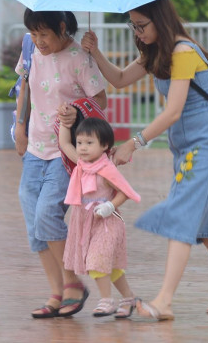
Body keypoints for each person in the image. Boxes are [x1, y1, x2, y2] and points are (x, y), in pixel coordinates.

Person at [81, 0, 208, 321]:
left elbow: (173, 110)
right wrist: (95, 53)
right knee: (206, 225)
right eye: (133, 26)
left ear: (159, 20)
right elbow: (119, 80)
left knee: (181, 216)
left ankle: (164, 301)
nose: (138, 32)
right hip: (188, 147)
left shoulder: (183, 52)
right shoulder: (156, 52)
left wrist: (133, 143)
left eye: (142, 25)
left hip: (206, 144)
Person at [14, 9, 107, 318]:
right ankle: (57, 292)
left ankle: (72, 283)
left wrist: (76, 113)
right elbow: (23, 88)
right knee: (34, 223)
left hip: (65, 152)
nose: (38, 41)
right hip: (34, 150)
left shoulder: (80, 57)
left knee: (46, 213)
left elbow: (100, 102)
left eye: (44, 34)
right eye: (34, 33)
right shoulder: (30, 48)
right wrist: (19, 128)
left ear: (63, 28)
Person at [58, 116, 141, 318]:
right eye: (80, 143)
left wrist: (110, 205)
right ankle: (130, 299)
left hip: (106, 223)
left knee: (96, 262)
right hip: (85, 222)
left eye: (89, 143)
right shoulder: (81, 164)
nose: (83, 148)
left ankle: (106, 301)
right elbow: (63, 143)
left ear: (104, 145)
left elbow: (124, 192)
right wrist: (64, 124)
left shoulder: (106, 169)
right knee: (109, 267)